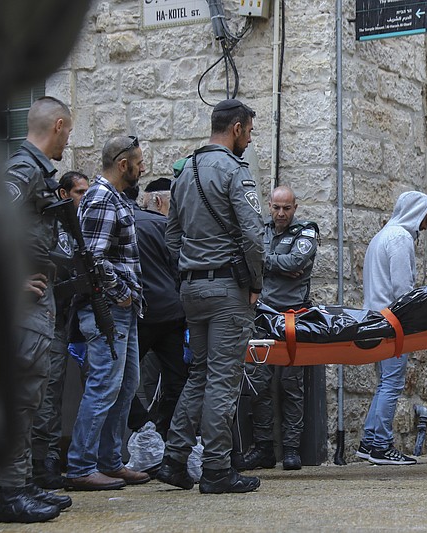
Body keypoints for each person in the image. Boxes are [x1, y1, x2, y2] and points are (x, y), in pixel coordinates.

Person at [157, 99, 265, 494]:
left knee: (199, 374)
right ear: (236, 129)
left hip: (191, 288)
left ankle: (173, 459)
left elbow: (172, 234)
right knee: (223, 378)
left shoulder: (185, 171)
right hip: (226, 292)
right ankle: (217, 468)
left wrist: (190, 266)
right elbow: (253, 235)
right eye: (250, 133)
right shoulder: (235, 171)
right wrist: (255, 282)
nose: (249, 140)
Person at [0, 96, 74, 523]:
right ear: (58, 126)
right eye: (69, 132)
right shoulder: (24, 170)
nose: (67, 140)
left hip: (37, 298)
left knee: (30, 397)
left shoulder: (35, 171)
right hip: (21, 302)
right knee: (22, 397)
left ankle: (22, 486)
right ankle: (11, 496)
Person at [65, 135, 149, 491]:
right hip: (109, 310)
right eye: (138, 162)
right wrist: (123, 294)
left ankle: (110, 462)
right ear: (122, 163)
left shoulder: (112, 197)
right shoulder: (101, 198)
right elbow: (92, 260)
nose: (142, 168)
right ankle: (81, 466)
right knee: (103, 385)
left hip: (120, 310)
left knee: (126, 385)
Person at [241, 185, 319, 471]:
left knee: (291, 385)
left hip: (292, 318)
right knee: (258, 383)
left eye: (287, 208)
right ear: (269, 206)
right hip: (262, 317)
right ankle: (263, 449)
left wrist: (264, 263)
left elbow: (297, 261)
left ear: (295, 208)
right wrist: (277, 265)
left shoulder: (306, 232)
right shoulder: (260, 231)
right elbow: (248, 258)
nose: (281, 213)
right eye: (276, 207)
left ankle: (291, 449)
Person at [355, 191, 427, 465]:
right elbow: (403, 289)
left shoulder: (383, 235)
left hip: (376, 318)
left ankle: (369, 441)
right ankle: (381, 445)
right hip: (392, 320)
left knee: (384, 383)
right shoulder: (400, 238)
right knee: (392, 383)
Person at [31, 171, 89, 490]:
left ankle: (69, 456)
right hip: (49, 314)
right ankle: (46, 458)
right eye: (79, 192)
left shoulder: (79, 222)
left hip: (74, 316)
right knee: (49, 387)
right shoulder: (49, 221)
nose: (85, 197)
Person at [126, 177, 189, 441]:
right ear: (162, 202)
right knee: (180, 380)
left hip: (140, 314)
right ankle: (166, 433)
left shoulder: (129, 223)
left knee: (122, 380)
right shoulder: (168, 229)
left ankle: (144, 427)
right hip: (172, 314)